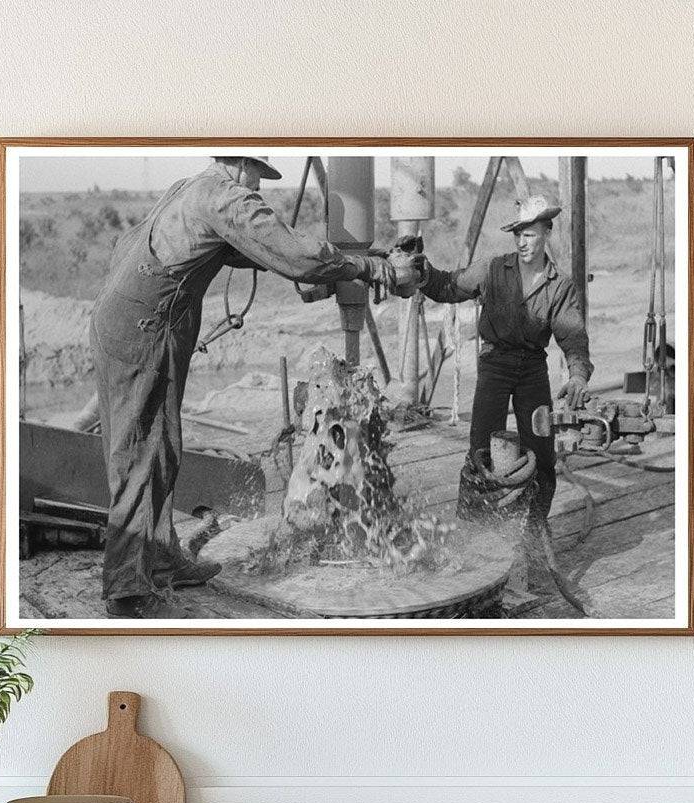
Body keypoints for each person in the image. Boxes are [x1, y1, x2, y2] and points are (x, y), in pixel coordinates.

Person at [90, 155, 414, 618]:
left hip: (125, 319)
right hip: (147, 328)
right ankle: (128, 589)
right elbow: (292, 254)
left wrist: (357, 260)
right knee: (142, 451)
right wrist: (371, 270)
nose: (259, 187)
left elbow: (255, 249)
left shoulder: (191, 189)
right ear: (242, 165)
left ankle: (160, 556)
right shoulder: (225, 196)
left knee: (161, 447)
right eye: (260, 176)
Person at [418, 193, 593, 531]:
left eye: (530, 234)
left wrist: (577, 377)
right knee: (480, 452)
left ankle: (535, 534)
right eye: (518, 235)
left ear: (546, 233)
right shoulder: (493, 269)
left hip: (532, 370)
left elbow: (572, 338)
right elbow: (447, 287)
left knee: (541, 455)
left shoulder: (560, 287)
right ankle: (473, 532)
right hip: (494, 364)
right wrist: (419, 269)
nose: (523, 242)